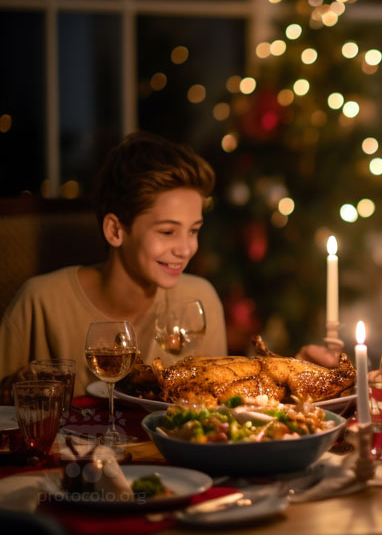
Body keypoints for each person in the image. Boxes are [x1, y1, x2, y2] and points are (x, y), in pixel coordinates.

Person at [0, 132, 228, 399]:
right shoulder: (40, 303)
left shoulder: (200, 301)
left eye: (193, 231)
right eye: (167, 232)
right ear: (115, 230)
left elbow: (216, 413)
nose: (186, 249)